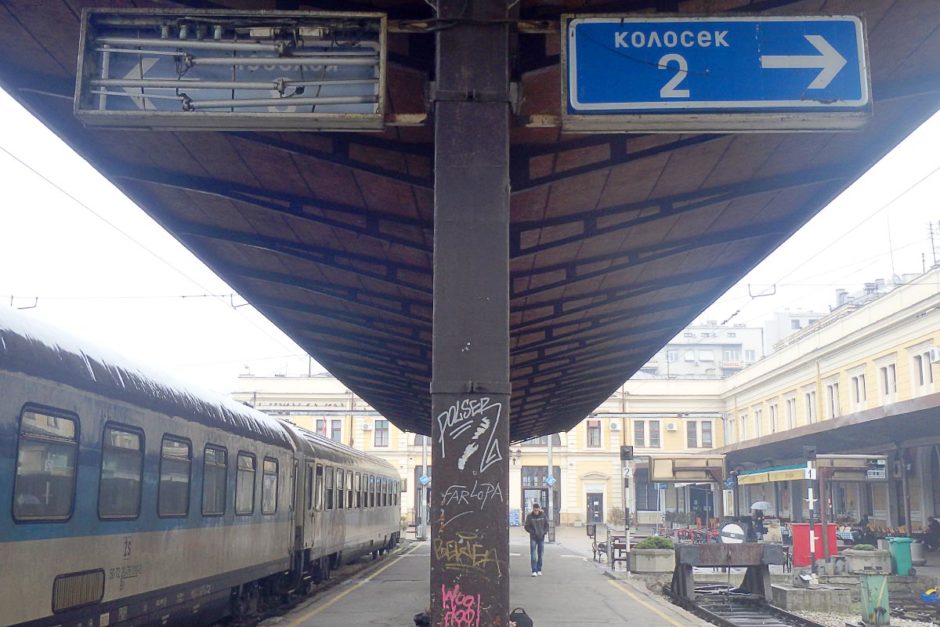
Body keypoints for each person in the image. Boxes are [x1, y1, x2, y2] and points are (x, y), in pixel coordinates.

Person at [524, 502, 548, 576]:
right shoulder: (530, 516)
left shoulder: (543, 515)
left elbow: (546, 525)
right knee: (533, 554)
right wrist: (532, 532)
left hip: (541, 537)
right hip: (533, 537)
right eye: (535, 510)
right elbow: (526, 526)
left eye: (537, 510)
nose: (536, 512)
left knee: (540, 554)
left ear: (539, 509)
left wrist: (544, 532)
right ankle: (534, 570)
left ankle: (539, 569)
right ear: (533, 509)